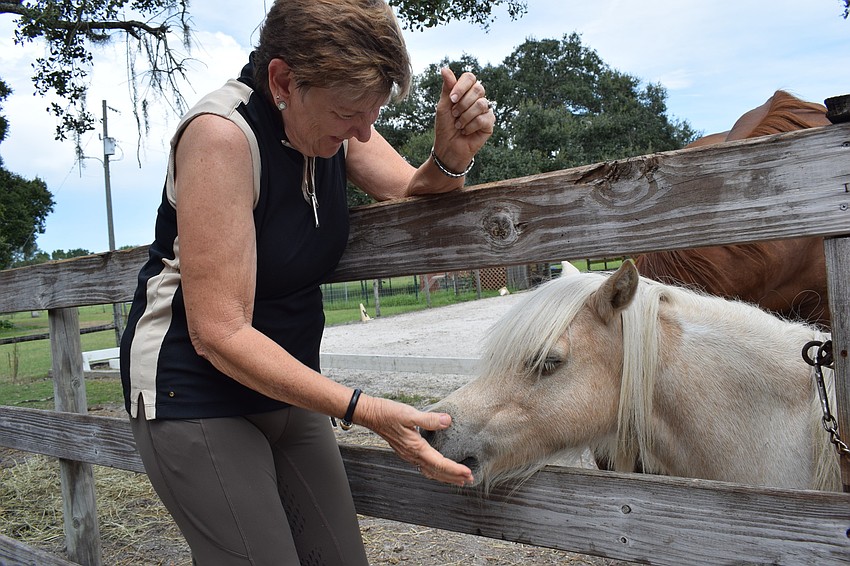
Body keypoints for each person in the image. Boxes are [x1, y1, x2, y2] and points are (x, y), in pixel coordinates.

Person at [118, 0, 494, 564]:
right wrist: (366, 410)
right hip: (191, 387)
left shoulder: (338, 126)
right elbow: (217, 332)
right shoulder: (221, 136)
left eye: (373, 115)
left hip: (287, 382)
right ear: (283, 80)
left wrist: (450, 158)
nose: (362, 132)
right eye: (349, 114)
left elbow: (411, 191)